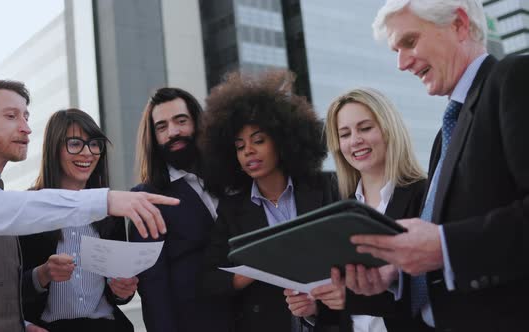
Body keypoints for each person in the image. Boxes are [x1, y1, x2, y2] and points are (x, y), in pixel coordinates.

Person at [0, 79, 178, 332]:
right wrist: (105, 200)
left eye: (26, 117)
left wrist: (23, 324)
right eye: (11, 116)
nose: (26, 128)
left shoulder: (0, 194)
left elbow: (0, 288)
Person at [349, 1, 529, 330]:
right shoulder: (445, 133)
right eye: (395, 50)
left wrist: (446, 247)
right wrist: (396, 272)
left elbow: (447, 244)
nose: (401, 63)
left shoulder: (515, 79)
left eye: (409, 42)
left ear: (459, 25)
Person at [200, 69, 339, 332]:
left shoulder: (326, 188)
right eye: (240, 147)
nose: (248, 151)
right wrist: (255, 268)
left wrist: (319, 307)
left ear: (282, 141)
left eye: (258, 141)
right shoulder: (232, 210)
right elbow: (210, 281)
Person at [286, 87, 426, 332]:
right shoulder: (339, 210)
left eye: (365, 128)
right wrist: (316, 307)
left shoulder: (423, 194)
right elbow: (343, 307)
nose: (355, 140)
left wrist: (350, 299)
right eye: (345, 133)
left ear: (388, 129)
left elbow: (428, 289)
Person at [20, 109, 137, 332]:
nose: (88, 153)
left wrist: (123, 289)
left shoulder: (110, 210)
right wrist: (43, 273)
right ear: (54, 149)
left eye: (94, 144)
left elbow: (117, 295)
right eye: (75, 144)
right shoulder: (29, 207)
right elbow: (9, 289)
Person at [128, 87, 230, 332]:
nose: (173, 132)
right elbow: (153, 289)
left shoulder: (230, 179)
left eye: (180, 121)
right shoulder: (146, 198)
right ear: (153, 136)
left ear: (197, 122)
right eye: (162, 127)